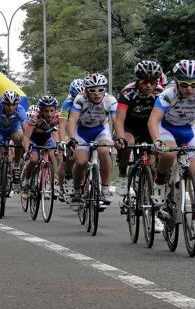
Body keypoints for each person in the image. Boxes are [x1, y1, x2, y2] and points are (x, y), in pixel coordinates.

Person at [147, 60, 195, 237]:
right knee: (170, 154)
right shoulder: (168, 94)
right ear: (176, 82)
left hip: (188, 130)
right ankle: (159, 184)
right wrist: (157, 140)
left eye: (193, 85)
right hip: (166, 128)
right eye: (183, 84)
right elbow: (153, 120)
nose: (188, 89)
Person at [67, 73, 119, 209]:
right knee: (81, 161)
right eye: (92, 90)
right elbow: (72, 119)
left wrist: (120, 137)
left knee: (104, 151)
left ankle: (106, 189)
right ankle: (77, 192)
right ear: (86, 91)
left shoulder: (110, 100)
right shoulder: (80, 99)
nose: (97, 94)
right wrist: (71, 138)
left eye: (100, 90)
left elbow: (116, 121)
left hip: (101, 130)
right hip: (82, 132)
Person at [116, 61, 164, 194]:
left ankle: (150, 192)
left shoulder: (161, 93)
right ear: (138, 81)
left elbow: (164, 118)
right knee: (128, 142)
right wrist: (120, 138)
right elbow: (119, 120)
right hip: (129, 126)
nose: (149, 85)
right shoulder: (128, 92)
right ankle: (122, 173)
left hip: (149, 127)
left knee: (153, 166)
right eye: (144, 82)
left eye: (153, 82)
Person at [0, 90, 27, 209]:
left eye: (13, 104)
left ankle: (16, 165)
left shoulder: (21, 110)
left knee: (20, 138)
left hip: (14, 129)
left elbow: (26, 130)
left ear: (17, 104)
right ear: (3, 103)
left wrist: (28, 145)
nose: (11, 107)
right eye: (7, 104)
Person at [21, 96, 60, 199]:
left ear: (55, 110)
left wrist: (58, 145)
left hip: (46, 138)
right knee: (34, 160)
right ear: (41, 110)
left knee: (52, 155)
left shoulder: (57, 118)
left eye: (52, 110)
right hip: (34, 139)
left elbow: (57, 133)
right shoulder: (35, 118)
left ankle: (52, 183)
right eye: (46, 111)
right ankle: (27, 182)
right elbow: (26, 137)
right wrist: (26, 150)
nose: (49, 114)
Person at [57, 78, 85, 202]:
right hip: (72, 128)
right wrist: (63, 140)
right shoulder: (67, 103)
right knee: (69, 151)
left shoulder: (89, 99)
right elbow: (62, 124)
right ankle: (68, 177)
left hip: (85, 128)